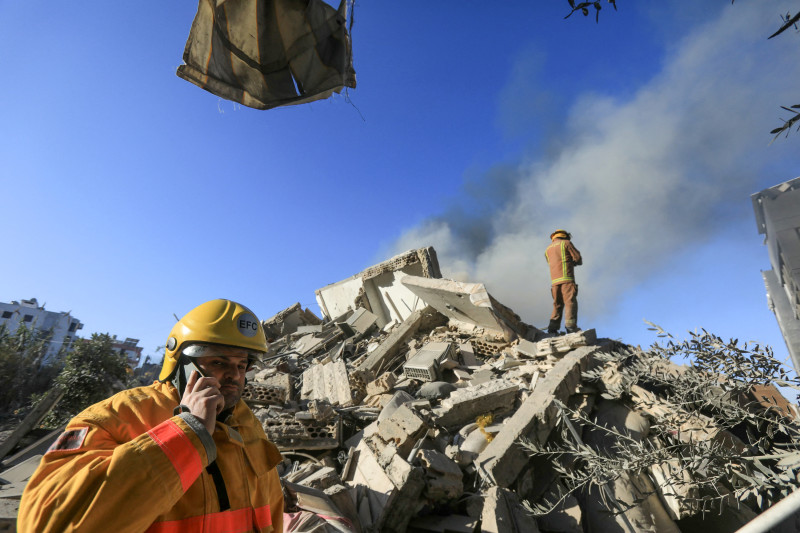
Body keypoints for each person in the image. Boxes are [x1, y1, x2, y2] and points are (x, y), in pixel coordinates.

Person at [18, 299, 284, 533]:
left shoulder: (244, 421)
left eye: (241, 365)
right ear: (181, 363)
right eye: (218, 363)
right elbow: (48, 525)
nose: (235, 377)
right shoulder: (116, 417)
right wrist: (187, 433)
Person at [545, 229, 583, 334]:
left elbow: (551, 263)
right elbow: (578, 259)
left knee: (557, 304)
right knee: (570, 302)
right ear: (564, 236)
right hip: (567, 279)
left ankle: (552, 328)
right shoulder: (566, 243)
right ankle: (571, 327)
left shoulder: (547, 249)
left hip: (554, 283)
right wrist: (573, 263)